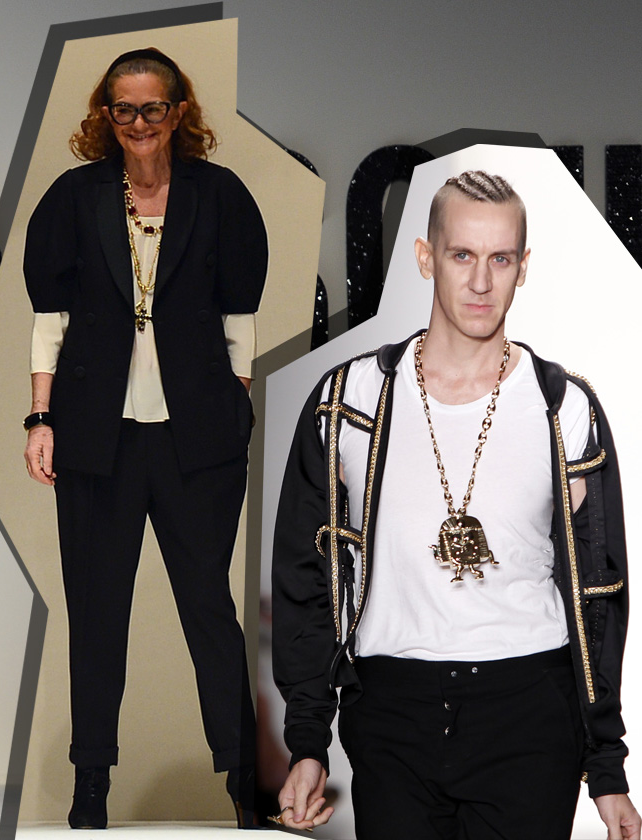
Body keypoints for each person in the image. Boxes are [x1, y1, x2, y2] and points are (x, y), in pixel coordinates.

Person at [271, 170, 640, 839]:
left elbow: (600, 590)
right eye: (462, 254)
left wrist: (607, 768)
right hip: (392, 714)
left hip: (530, 713)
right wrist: (307, 742)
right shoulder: (348, 403)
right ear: (425, 257)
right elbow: (305, 576)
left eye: (500, 259)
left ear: (523, 268)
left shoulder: (564, 409)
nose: (480, 281)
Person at [22, 48, 268, 828]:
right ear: (105, 114)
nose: (138, 122)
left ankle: (247, 785)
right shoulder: (75, 197)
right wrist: (40, 418)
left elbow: (239, 311)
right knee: (97, 613)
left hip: (198, 440)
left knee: (209, 610)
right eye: (123, 109)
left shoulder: (219, 195)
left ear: (178, 110)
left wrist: (231, 400)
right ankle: (91, 786)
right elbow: (51, 317)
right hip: (97, 437)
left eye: (152, 107)